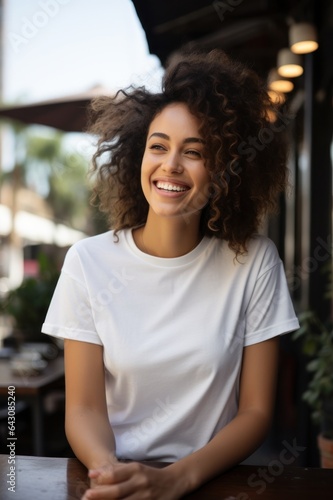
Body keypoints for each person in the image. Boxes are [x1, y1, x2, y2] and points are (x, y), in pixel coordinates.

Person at [42, 48, 299, 499]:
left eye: (195, 151)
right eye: (158, 146)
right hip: (118, 482)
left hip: (212, 482)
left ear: (225, 170)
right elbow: (82, 408)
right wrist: (110, 473)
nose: (171, 165)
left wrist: (176, 479)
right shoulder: (88, 262)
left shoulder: (254, 261)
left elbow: (256, 412)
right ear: (137, 154)